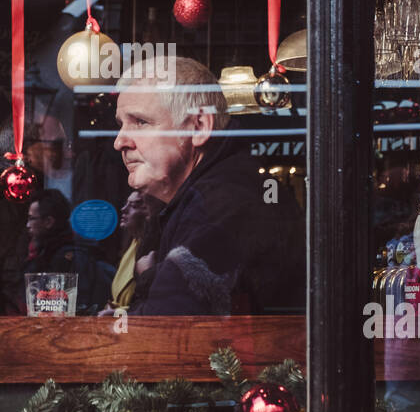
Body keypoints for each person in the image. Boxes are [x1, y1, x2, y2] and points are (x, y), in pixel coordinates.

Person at [112, 56, 304, 315]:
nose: (120, 141)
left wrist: (148, 278)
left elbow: (166, 331)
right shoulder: (208, 194)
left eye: (140, 122)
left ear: (199, 127)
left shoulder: (222, 206)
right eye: (121, 124)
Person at [23, 189, 113, 314]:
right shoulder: (48, 251)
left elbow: (76, 305)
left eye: (31, 219)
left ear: (48, 222)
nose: (28, 225)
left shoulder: (69, 257)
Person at [105, 190, 158, 313]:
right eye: (126, 204)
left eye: (134, 206)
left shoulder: (154, 250)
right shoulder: (132, 244)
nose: (123, 209)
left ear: (149, 212)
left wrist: (121, 312)